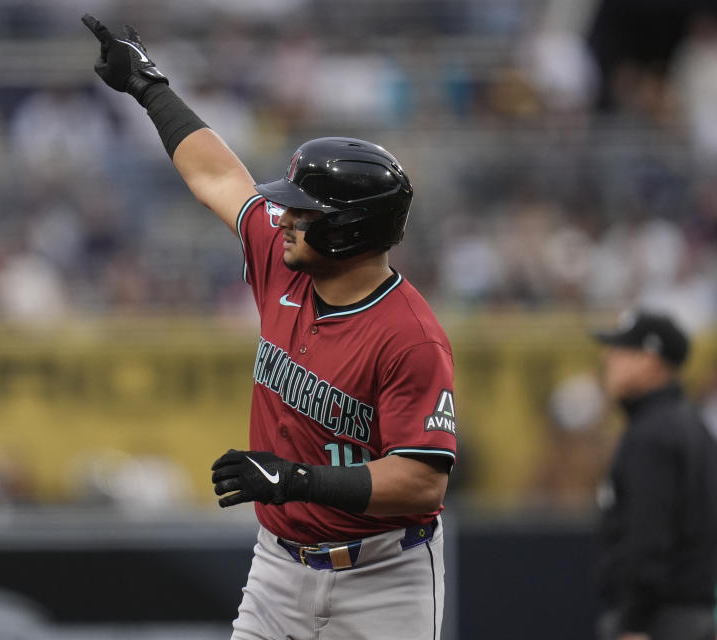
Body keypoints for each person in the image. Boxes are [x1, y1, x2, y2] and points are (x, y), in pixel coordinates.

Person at [81, 16, 457, 640]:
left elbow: (422, 480)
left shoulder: (410, 337)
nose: (282, 216)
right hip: (279, 567)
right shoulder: (285, 265)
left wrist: (299, 480)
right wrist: (151, 88)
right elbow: (220, 178)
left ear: (348, 230)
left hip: (384, 576)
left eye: (304, 211)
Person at [593, 310, 717, 640]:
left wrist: (635, 622)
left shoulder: (652, 433)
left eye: (621, 351)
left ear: (649, 360)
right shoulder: (693, 425)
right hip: (694, 615)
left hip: (660, 621)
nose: (608, 359)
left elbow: (649, 536)